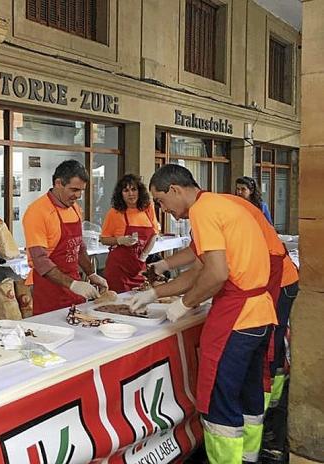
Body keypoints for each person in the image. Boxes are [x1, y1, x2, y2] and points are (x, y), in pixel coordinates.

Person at [130, 164, 276, 464]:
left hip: (237, 318)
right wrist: (155, 293)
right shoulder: (219, 204)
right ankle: (249, 458)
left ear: (175, 190)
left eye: (160, 201)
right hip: (261, 314)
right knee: (248, 395)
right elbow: (200, 268)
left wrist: (183, 305)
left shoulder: (203, 211)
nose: (163, 209)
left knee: (219, 402)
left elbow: (216, 274)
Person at [22, 160, 108, 315]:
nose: (78, 196)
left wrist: (91, 273)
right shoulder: (37, 212)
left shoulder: (74, 208)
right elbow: (40, 261)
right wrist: (73, 284)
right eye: (74, 189)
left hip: (73, 287)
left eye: (81, 191)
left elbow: (78, 246)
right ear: (58, 183)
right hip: (49, 291)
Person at [99, 174, 160, 292]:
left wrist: (144, 256)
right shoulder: (114, 213)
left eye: (133, 189)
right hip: (118, 269)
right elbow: (104, 239)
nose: (131, 194)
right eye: (126, 190)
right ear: (120, 194)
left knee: (140, 300)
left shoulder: (148, 209)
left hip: (139, 266)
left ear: (140, 191)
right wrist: (119, 240)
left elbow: (154, 234)